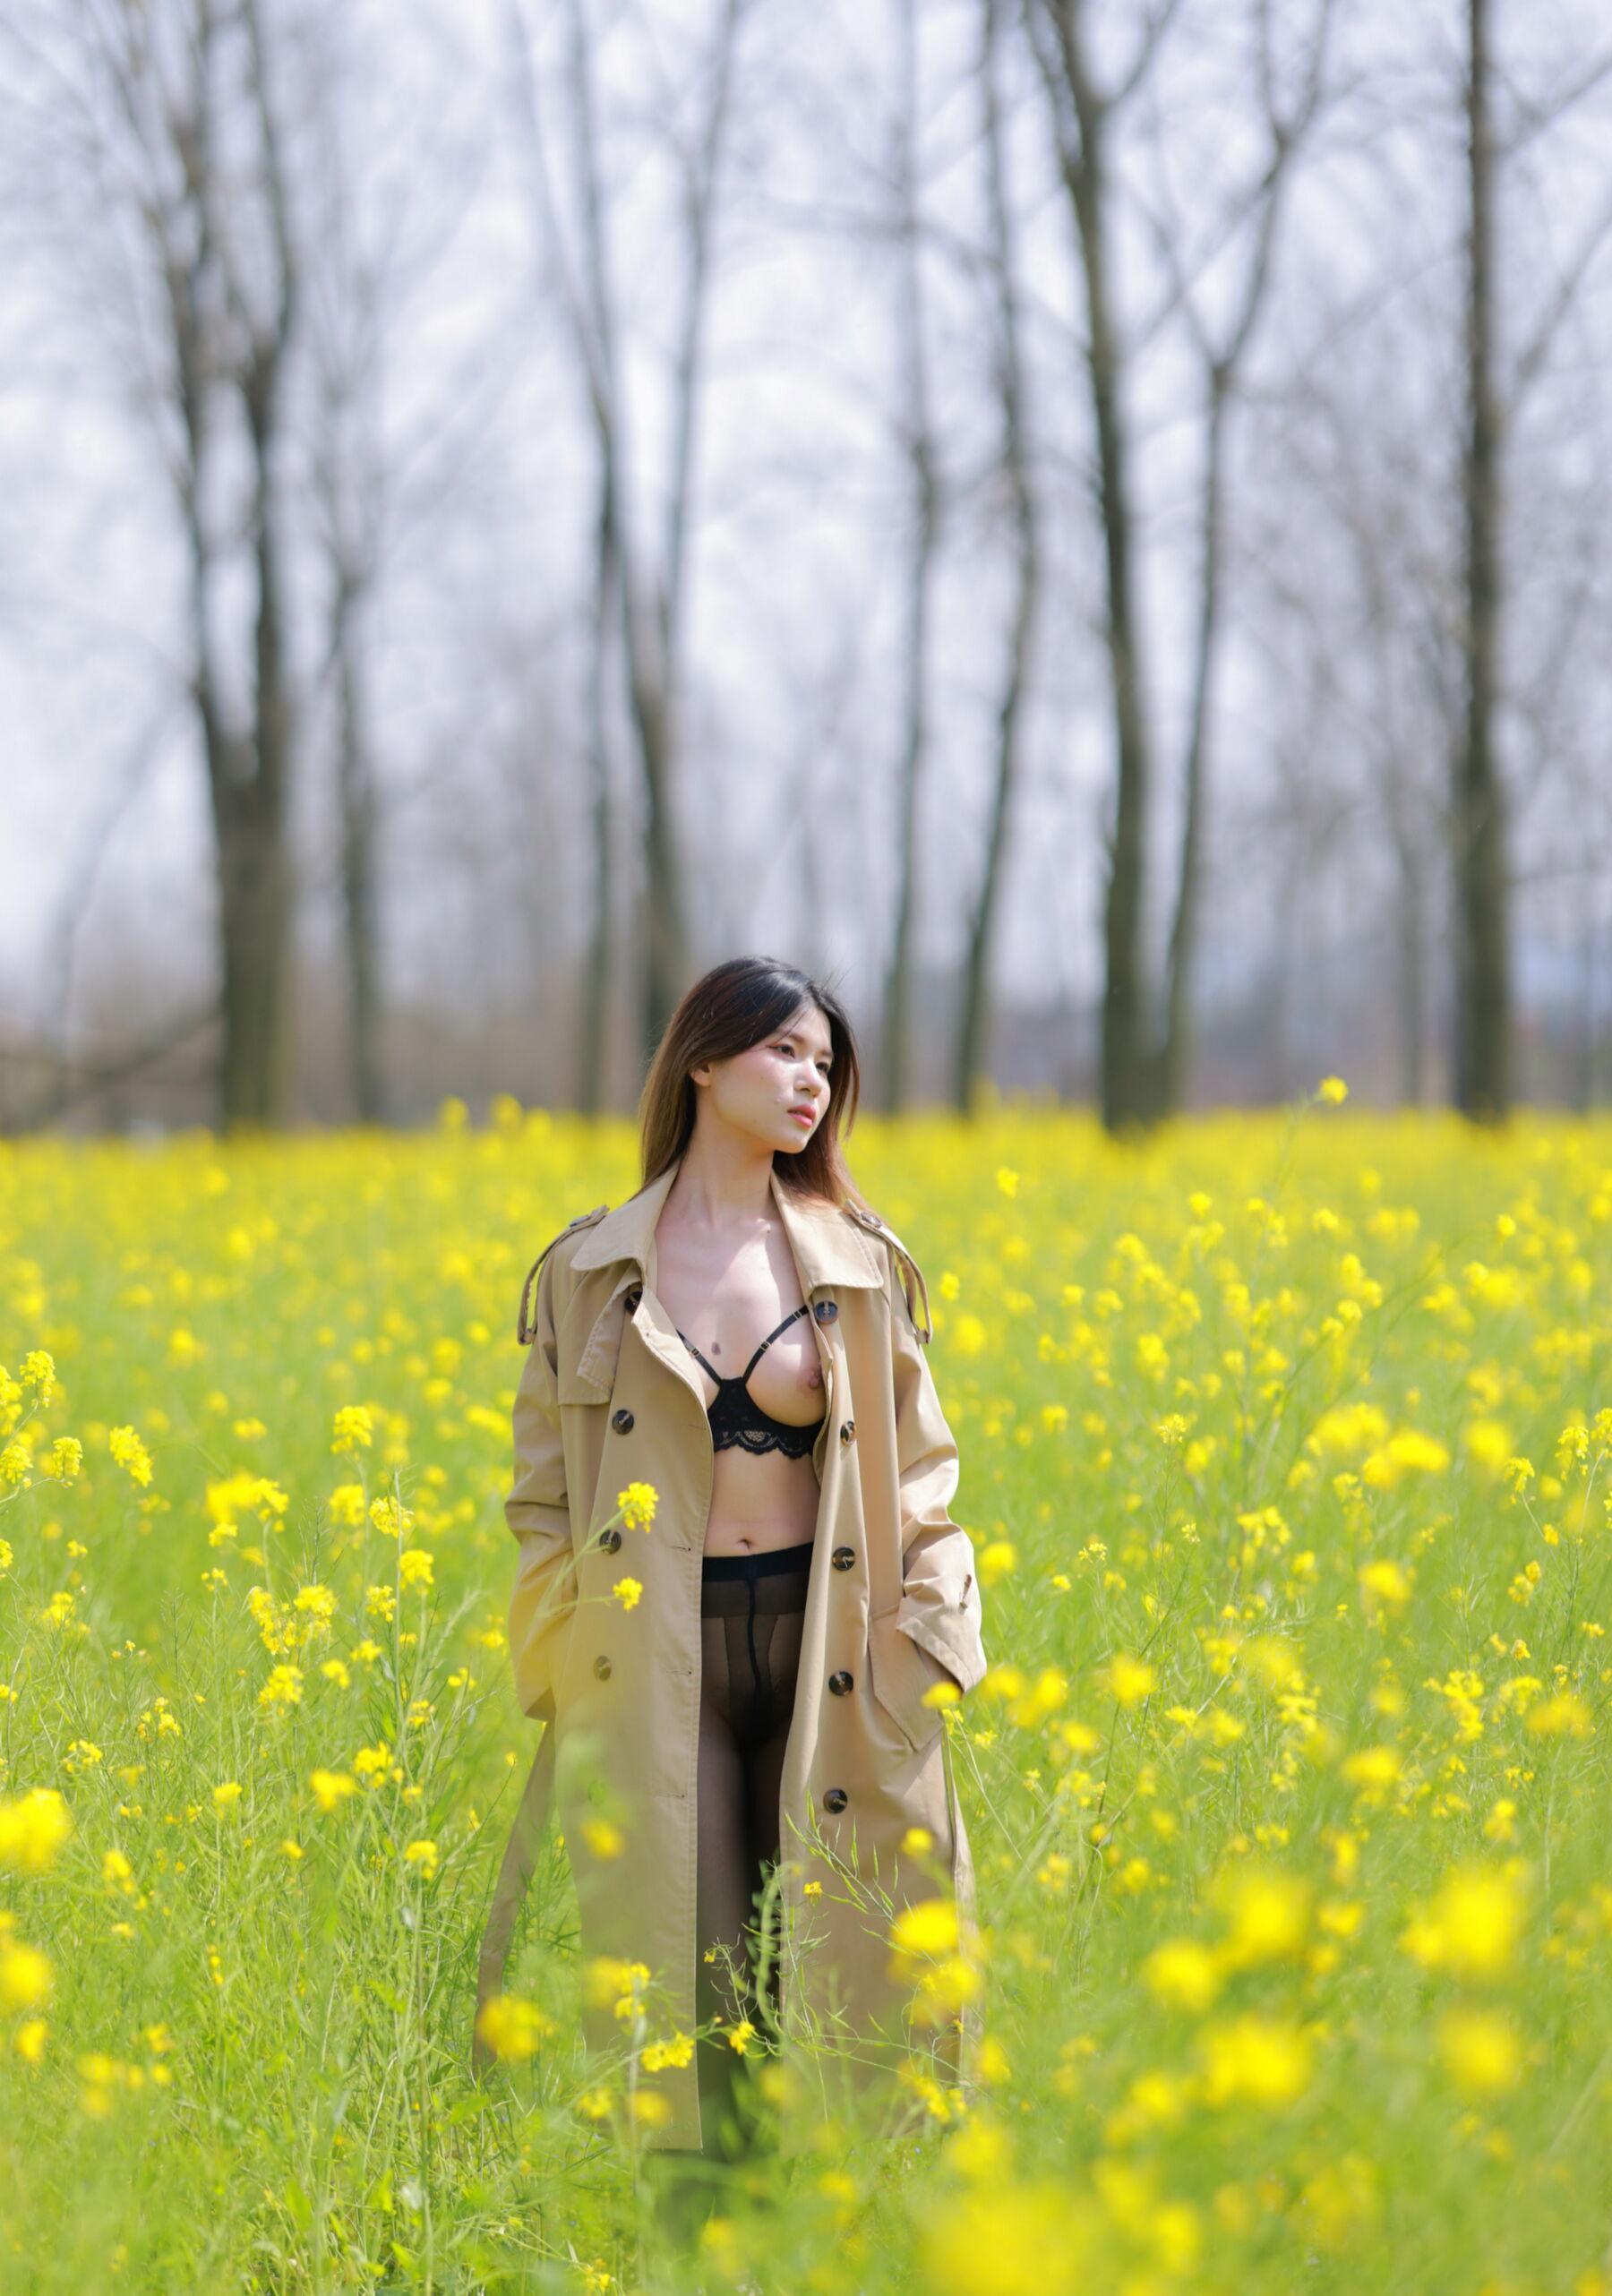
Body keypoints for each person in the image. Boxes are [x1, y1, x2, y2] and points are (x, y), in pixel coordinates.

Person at [480, 955, 988, 2201]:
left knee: (840, 1968)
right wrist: (559, 1649)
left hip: (834, 1654)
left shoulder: (861, 1262)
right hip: (658, 1658)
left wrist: (929, 1642)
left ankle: (828, 2237)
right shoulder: (587, 1269)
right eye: (785, 1052)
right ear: (704, 1060)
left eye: (826, 1063)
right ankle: (705, 2240)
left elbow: (924, 1478)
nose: (812, 1081)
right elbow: (542, 1498)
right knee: (688, 1972)